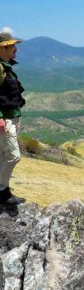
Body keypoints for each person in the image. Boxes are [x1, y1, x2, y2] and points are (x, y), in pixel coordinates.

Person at [0, 31, 26, 205]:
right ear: (2, 48)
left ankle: (4, 189)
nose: (16, 49)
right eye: (12, 46)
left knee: (2, 156)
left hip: (12, 117)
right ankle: (1, 190)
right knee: (13, 156)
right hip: (5, 119)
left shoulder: (6, 67)